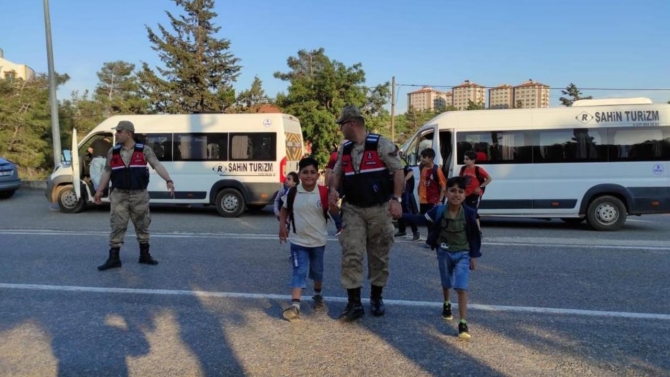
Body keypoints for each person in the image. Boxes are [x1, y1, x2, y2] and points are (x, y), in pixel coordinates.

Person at [329, 105, 404, 321]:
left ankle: (376, 297)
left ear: (351, 123)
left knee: (379, 254)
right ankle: (354, 303)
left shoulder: (380, 144)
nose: (340, 129)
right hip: (352, 208)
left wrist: (396, 199)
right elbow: (336, 174)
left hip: (379, 209)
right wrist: (333, 190)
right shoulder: (345, 149)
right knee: (351, 253)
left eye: (341, 125)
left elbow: (398, 171)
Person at [401, 176, 482, 340]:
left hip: (463, 254)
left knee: (461, 287)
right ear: (446, 192)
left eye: (461, 191)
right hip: (444, 252)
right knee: (446, 282)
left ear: (465, 195)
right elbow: (420, 219)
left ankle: (463, 323)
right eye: (453, 190)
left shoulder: (469, 213)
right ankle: (446, 303)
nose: (456, 195)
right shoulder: (438, 211)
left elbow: (475, 237)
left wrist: (473, 255)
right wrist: (400, 215)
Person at [93, 121, 175, 271]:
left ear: (128, 133)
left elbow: (157, 165)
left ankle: (144, 255)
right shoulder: (113, 151)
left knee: (142, 225)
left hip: (139, 195)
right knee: (117, 226)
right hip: (119, 195)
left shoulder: (144, 150)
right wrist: (99, 191)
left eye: (119, 131)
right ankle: (114, 258)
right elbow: (107, 171)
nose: (116, 134)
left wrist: (168, 180)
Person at [278, 157, 329, 322]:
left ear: (317, 174)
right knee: (299, 271)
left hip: (318, 241)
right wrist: (282, 226)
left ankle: (317, 295)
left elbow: (333, 212)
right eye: (305, 172)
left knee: (317, 271)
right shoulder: (293, 192)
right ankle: (295, 306)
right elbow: (284, 209)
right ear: (299, 174)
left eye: (312, 172)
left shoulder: (323, 192)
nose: (309, 175)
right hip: (298, 241)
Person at [459, 151, 493, 231]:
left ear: (473, 160)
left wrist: (480, 187)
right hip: (465, 194)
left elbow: (489, 179)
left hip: (475, 194)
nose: (464, 161)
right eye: (464, 159)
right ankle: (470, 229)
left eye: (467, 159)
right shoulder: (463, 169)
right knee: (465, 211)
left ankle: (477, 231)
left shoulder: (478, 169)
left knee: (473, 212)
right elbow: (461, 179)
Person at [394, 163, 420, 240]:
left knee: (407, 209)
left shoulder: (400, 161)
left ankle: (415, 231)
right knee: (398, 207)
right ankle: (402, 230)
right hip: (396, 188)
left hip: (405, 189)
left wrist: (403, 180)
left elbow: (411, 172)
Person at [418, 148, 447, 214]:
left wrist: (440, 200)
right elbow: (421, 181)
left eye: (424, 157)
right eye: (421, 157)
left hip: (432, 200)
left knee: (431, 220)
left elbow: (443, 185)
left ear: (431, 158)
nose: (422, 159)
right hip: (422, 200)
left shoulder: (436, 169)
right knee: (424, 219)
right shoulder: (422, 167)